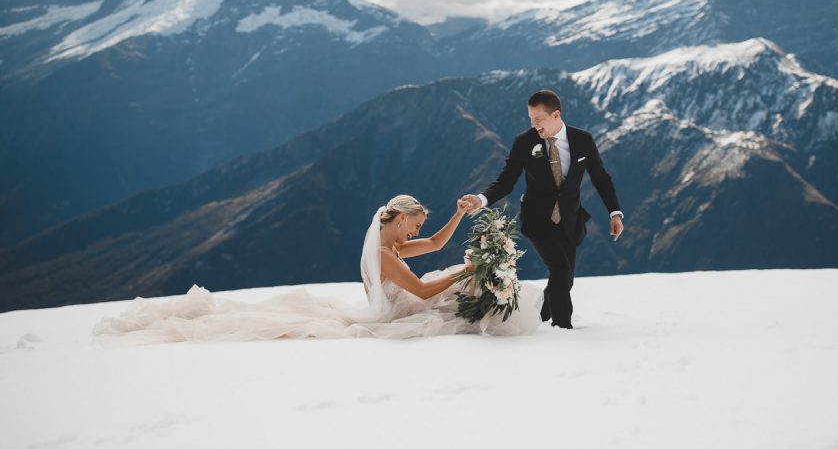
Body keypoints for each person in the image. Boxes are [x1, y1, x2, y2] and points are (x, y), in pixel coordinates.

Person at [90, 195, 541, 347]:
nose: (419, 231)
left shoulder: (393, 243)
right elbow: (421, 294)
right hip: (390, 316)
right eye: (416, 223)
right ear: (400, 220)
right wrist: (467, 273)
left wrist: (460, 215)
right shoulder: (386, 256)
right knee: (447, 294)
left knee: (452, 282)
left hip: (397, 300)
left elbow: (439, 243)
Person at [460, 90, 623, 329]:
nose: (534, 125)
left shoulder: (583, 140)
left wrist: (615, 213)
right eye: (530, 119)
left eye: (539, 119)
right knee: (560, 269)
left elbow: (601, 178)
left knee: (565, 280)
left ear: (556, 115)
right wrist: (481, 199)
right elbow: (506, 181)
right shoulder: (524, 142)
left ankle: (540, 316)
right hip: (538, 220)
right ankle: (562, 328)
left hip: (569, 220)